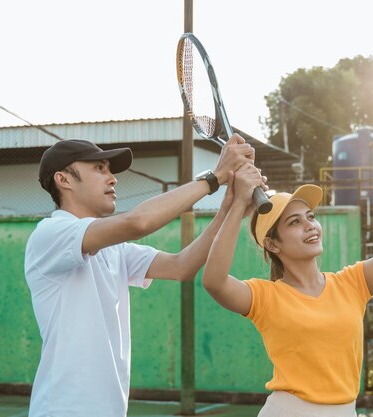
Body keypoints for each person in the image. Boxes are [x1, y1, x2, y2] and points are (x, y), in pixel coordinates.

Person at [202, 133, 373, 416]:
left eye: (311, 216)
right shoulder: (265, 297)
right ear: (273, 244)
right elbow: (214, 282)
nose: (310, 226)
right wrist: (238, 203)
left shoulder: (352, 283)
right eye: (295, 222)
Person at [24, 135, 255, 417]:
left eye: (110, 170)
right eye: (100, 168)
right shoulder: (50, 234)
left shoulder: (114, 248)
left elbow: (182, 266)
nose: (113, 178)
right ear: (64, 180)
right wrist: (215, 177)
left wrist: (230, 209)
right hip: (63, 409)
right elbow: (138, 222)